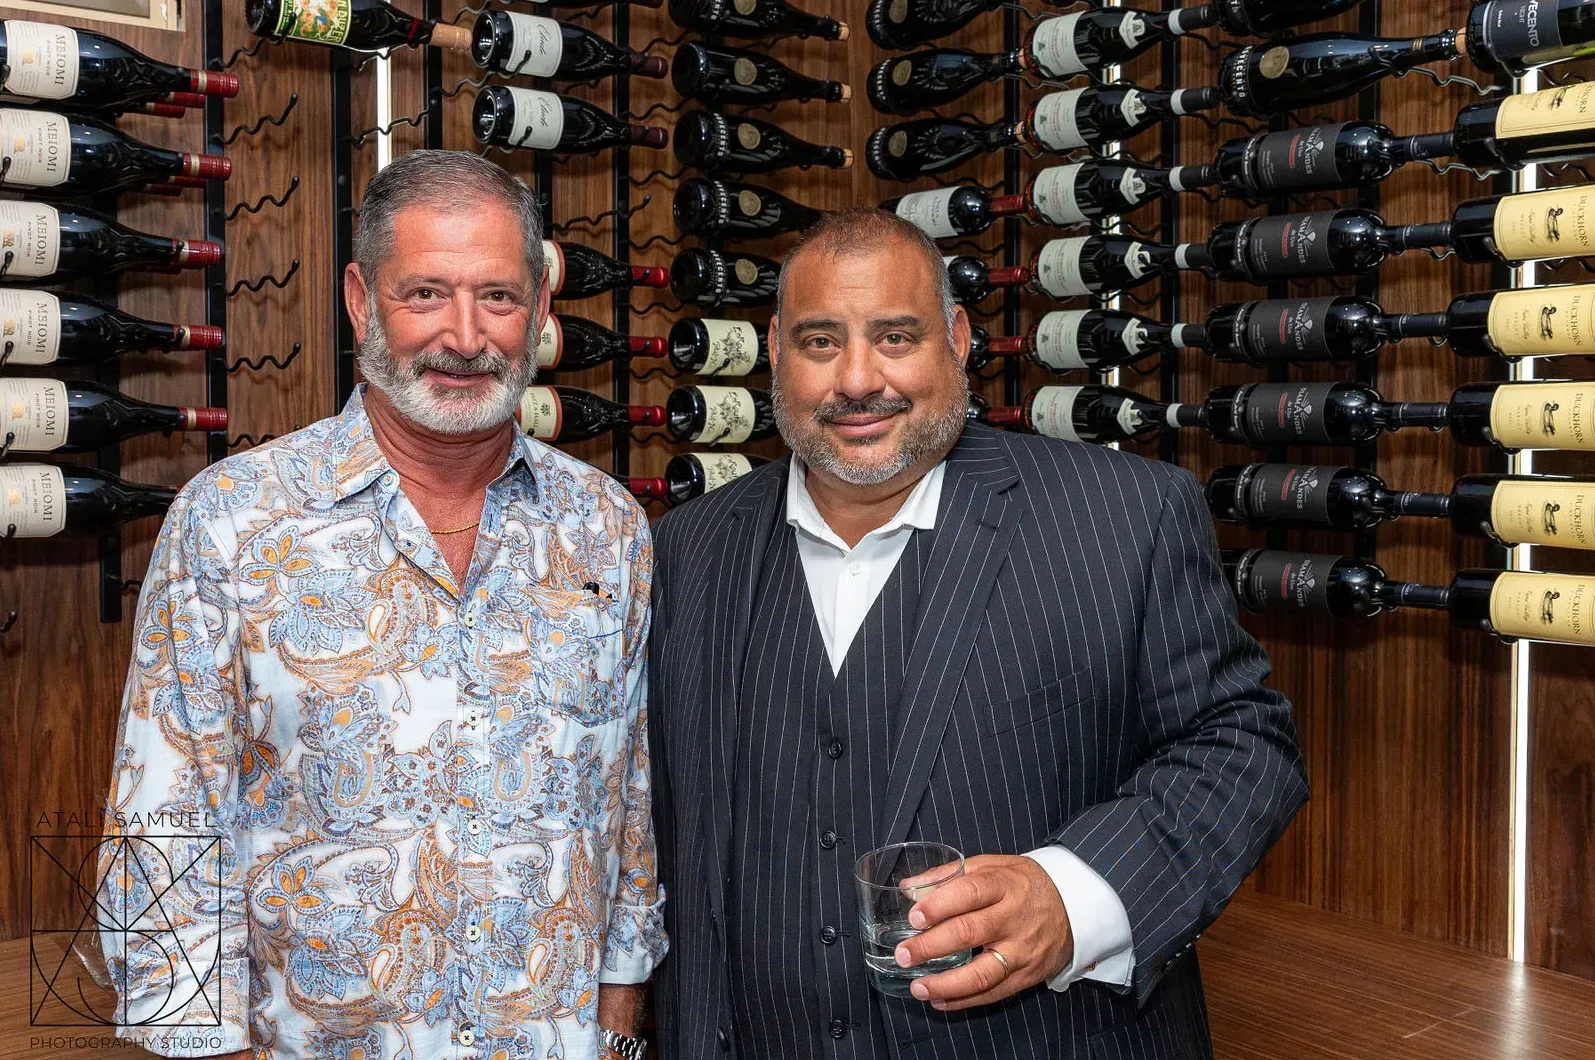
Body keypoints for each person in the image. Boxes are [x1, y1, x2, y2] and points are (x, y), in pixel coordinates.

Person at [646, 208, 1308, 1059]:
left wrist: (1075, 896)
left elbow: (1243, 743)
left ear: (956, 339)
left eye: (894, 337)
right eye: (818, 342)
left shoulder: (1121, 516)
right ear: (773, 350)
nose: (856, 379)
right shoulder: (687, 548)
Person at [99, 150, 663, 1060]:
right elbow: (160, 825)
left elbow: (626, 803)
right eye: (426, 294)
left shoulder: (608, 530)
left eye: (499, 297)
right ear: (362, 301)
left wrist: (620, 1029)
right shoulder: (234, 521)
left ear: (542, 308)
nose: (466, 336)